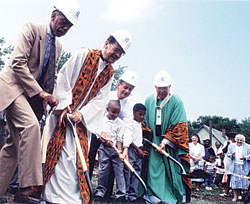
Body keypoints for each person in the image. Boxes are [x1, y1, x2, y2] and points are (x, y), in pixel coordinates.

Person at [0, 0, 81, 203]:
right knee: (31, 127)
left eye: (69, 26)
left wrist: (51, 97)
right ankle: (27, 188)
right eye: (63, 22)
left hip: (31, 98)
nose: (65, 28)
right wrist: (41, 93)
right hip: (13, 88)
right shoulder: (32, 28)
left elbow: (51, 76)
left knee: (13, 145)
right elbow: (18, 63)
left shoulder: (59, 46)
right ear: (53, 16)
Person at [42, 30, 132, 204]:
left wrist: (81, 114)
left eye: (121, 53)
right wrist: (66, 106)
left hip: (81, 121)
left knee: (76, 158)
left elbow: (100, 100)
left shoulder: (110, 72)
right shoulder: (85, 54)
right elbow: (64, 77)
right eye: (116, 49)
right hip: (63, 114)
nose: (117, 54)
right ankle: (51, 195)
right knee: (59, 156)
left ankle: (71, 197)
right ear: (107, 43)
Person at [88, 70, 137, 200]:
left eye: (130, 89)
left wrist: (125, 147)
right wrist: (100, 134)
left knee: (114, 163)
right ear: (118, 85)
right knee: (91, 155)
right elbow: (97, 115)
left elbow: (127, 127)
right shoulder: (107, 96)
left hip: (116, 138)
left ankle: (107, 193)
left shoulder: (128, 105)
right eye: (125, 87)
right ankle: (87, 187)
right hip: (98, 131)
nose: (126, 91)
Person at [143, 71, 191, 204]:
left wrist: (165, 142)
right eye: (159, 88)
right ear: (155, 87)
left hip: (170, 145)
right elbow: (144, 122)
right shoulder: (148, 100)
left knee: (172, 172)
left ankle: (173, 196)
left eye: (165, 88)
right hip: (153, 144)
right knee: (154, 171)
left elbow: (179, 124)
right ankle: (155, 197)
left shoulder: (176, 101)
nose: (162, 91)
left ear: (170, 86)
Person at [95, 100, 126, 202]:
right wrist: (103, 140)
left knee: (119, 172)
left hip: (116, 151)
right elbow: (98, 134)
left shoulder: (120, 123)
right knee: (103, 170)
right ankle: (100, 192)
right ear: (107, 109)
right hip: (104, 149)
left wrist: (119, 152)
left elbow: (119, 139)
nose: (116, 115)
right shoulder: (101, 121)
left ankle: (121, 194)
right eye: (113, 112)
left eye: (118, 112)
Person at [123, 103, 148, 202]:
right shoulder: (129, 123)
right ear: (134, 112)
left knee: (137, 171)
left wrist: (141, 150)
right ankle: (125, 194)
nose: (142, 117)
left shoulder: (139, 124)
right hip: (131, 149)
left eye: (143, 115)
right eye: (140, 114)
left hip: (139, 149)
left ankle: (133, 194)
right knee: (128, 171)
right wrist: (138, 150)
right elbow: (129, 139)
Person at [227, 134, 250, 202]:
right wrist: (232, 155)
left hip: (244, 165)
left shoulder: (248, 146)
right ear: (235, 140)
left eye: (241, 140)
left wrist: (245, 157)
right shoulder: (231, 146)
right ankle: (235, 196)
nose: (239, 141)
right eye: (238, 140)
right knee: (235, 181)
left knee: (245, 181)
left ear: (243, 140)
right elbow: (228, 154)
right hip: (235, 165)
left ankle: (244, 196)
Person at [220, 132, 237, 197]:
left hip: (236, 160)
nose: (232, 138)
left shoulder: (237, 144)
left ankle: (234, 190)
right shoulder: (227, 142)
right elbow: (223, 151)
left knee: (236, 175)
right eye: (231, 137)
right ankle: (226, 191)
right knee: (228, 175)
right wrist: (227, 144)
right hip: (228, 159)